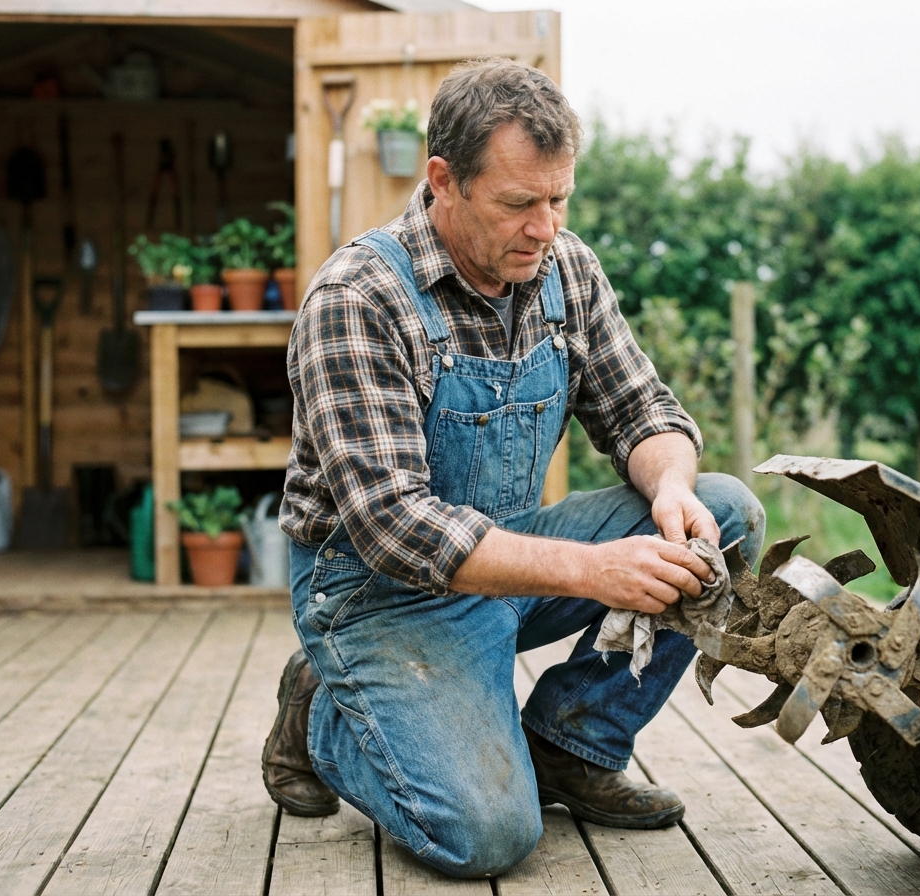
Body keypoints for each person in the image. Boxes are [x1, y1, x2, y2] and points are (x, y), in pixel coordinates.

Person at [263, 57, 764, 879]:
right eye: (519, 203)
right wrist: (595, 570)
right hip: (379, 595)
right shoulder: (358, 298)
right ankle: (328, 716)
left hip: (505, 563)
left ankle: (573, 744)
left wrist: (671, 486)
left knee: (724, 509)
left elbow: (646, 412)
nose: (546, 227)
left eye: (560, 198)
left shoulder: (564, 269)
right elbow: (393, 525)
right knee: (488, 838)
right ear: (443, 181)